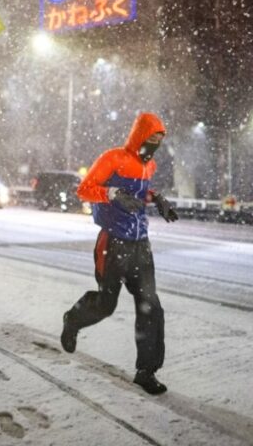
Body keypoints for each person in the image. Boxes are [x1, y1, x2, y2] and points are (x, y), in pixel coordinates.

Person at [60, 112, 178, 395]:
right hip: (113, 244)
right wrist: (112, 194)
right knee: (106, 304)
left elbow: (139, 192)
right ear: (139, 136)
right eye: (151, 139)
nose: (154, 145)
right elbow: (84, 189)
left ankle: (146, 371)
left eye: (159, 141)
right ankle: (72, 320)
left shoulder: (149, 166)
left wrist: (156, 199)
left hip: (141, 245)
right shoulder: (113, 158)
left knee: (151, 306)